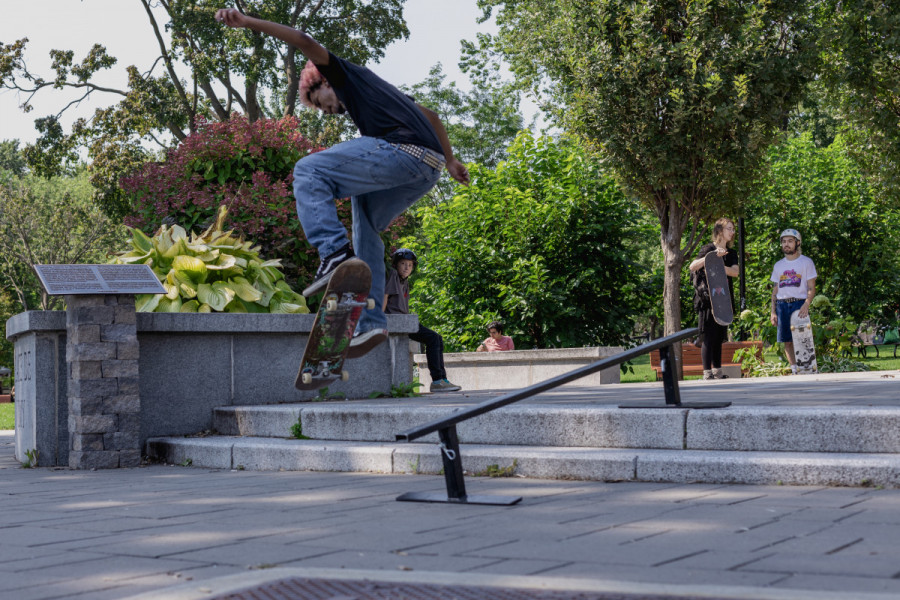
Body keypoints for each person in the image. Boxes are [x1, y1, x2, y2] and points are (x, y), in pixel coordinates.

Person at [215, 8, 470, 358]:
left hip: (402, 152)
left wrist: (248, 22)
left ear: (324, 82)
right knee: (364, 217)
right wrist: (451, 160)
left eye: (322, 105)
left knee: (309, 170)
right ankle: (371, 322)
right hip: (428, 167)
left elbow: (302, 40)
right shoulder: (384, 97)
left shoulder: (342, 74)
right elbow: (432, 116)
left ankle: (334, 253)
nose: (329, 112)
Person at [383, 249, 461, 392]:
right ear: (396, 264)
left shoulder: (405, 281)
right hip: (396, 320)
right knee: (432, 338)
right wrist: (380, 319)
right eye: (403, 264)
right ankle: (437, 381)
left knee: (437, 338)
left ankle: (442, 379)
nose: (406, 268)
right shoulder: (393, 275)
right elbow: (385, 296)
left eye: (410, 265)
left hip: (405, 321)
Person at [688, 218, 739, 380]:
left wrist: (719, 265)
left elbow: (735, 272)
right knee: (708, 336)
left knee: (718, 337)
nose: (732, 232)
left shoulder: (732, 253)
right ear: (719, 231)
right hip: (708, 299)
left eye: (733, 229)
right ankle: (707, 373)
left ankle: (717, 372)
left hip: (724, 299)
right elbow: (692, 266)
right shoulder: (708, 249)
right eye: (729, 228)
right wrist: (711, 258)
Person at [769, 228, 817, 374]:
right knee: (787, 341)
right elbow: (775, 290)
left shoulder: (806, 262)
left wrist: (806, 304)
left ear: (798, 243)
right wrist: (773, 312)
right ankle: (795, 370)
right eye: (784, 241)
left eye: (790, 241)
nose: (786, 244)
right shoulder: (778, 265)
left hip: (799, 304)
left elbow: (811, 287)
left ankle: (807, 368)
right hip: (782, 305)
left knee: (803, 338)